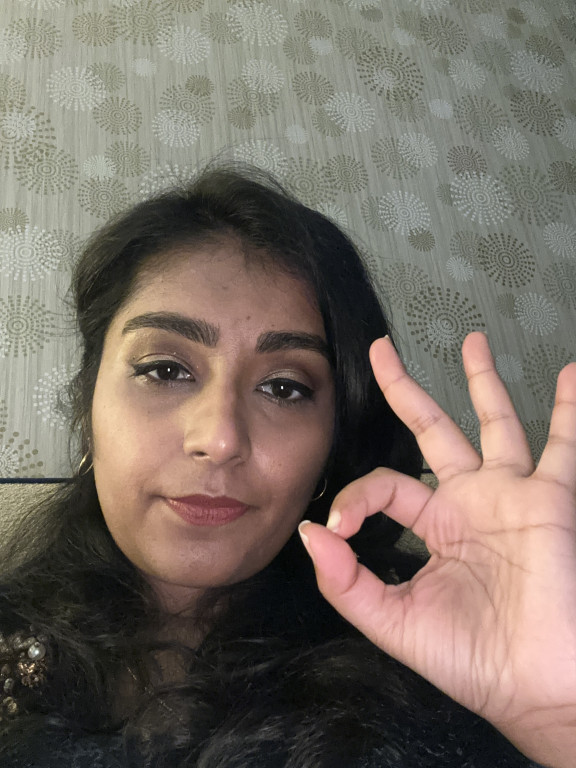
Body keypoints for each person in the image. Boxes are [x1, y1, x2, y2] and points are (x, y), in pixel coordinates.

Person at [0, 164, 574, 768]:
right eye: (165, 370)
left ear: (331, 444)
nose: (221, 438)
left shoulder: (439, 641)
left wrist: (555, 718)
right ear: (89, 405)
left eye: (283, 387)